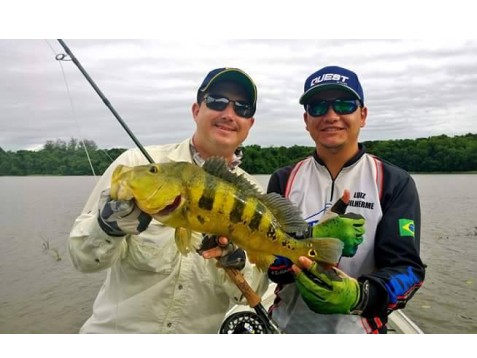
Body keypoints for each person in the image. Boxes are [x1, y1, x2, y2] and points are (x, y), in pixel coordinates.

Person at [68, 67, 269, 333]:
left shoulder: (254, 199)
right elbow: (82, 259)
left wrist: (238, 262)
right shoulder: (137, 165)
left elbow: (248, 294)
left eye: (242, 108)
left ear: (250, 124)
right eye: (218, 101)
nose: (229, 114)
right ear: (197, 110)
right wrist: (107, 227)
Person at [266, 66, 425, 333]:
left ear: (362, 115)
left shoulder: (395, 183)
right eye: (318, 107)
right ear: (306, 120)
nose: (331, 116)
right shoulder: (283, 179)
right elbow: (269, 262)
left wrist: (360, 295)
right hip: (284, 327)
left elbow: (407, 269)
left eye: (344, 105)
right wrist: (311, 240)